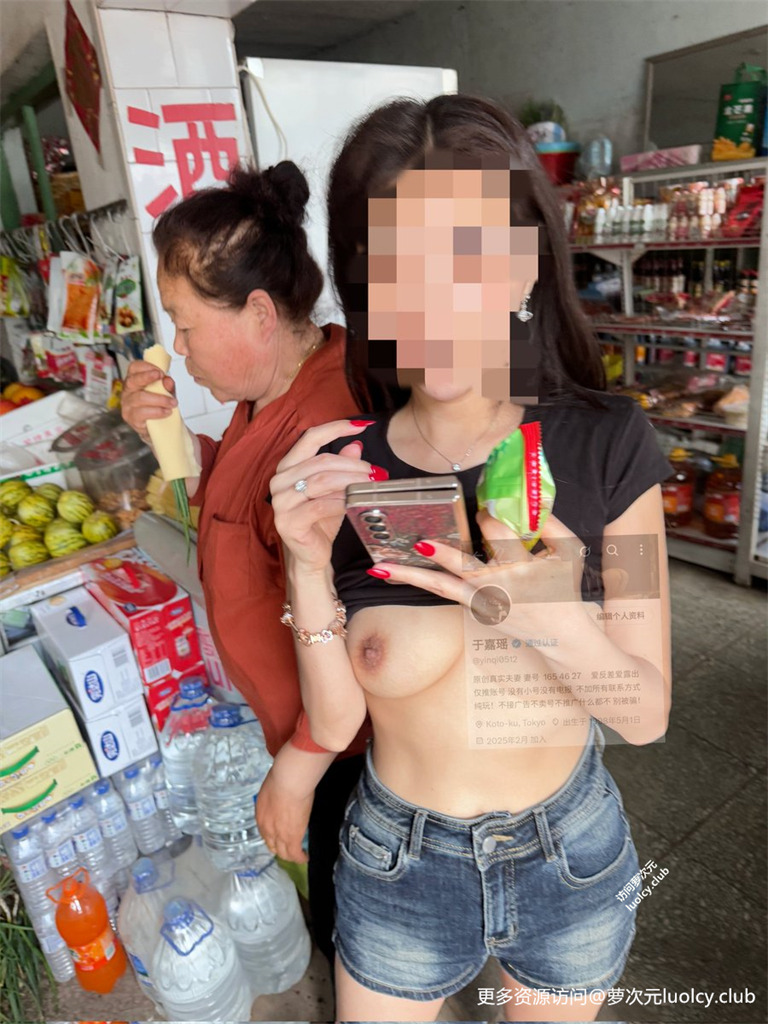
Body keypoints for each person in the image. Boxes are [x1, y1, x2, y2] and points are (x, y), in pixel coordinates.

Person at [270, 96, 672, 1022]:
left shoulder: (608, 448)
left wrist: (551, 617)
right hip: (396, 864)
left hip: (572, 857)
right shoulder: (346, 474)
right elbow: (337, 716)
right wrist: (302, 565)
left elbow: (645, 715)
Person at [120, 161, 372, 963]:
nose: (179, 349)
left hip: (342, 753)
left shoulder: (327, 434)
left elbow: (364, 638)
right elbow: (235, 497)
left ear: (260, 313)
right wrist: (161, 436)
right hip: (296, 730)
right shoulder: (267, 395)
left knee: (354, 924)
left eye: (186, 325)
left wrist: (302, 765)